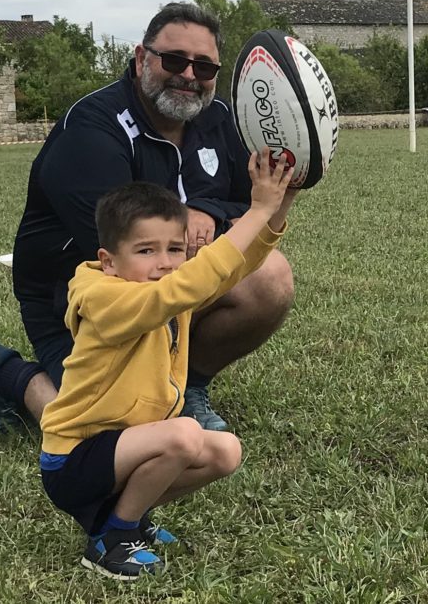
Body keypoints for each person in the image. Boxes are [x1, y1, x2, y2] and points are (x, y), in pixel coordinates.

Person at [0, 2, 294, 434]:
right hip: (85, 299)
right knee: (103, 430)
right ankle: (8, 373)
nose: (188, 75)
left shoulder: (221, 120)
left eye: (205, 67)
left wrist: (212, 209)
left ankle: (187, 386)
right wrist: (193, 220)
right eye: (175, 60)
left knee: (269, 277)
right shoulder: (93, 128)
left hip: (168, 281)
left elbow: (250, 203)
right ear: (142, 58)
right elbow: (126, 257)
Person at [40, 151, 294, 579]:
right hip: (73, 462)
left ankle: (121, 517)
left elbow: (231, 271)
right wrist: (258, 208)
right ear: (109, 261)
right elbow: (186, 286)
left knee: (225, 451)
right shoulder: (106, 297)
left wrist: (279, 205)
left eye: (175, 249)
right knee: (184, 434)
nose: (164, 262)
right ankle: (112, 539)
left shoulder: (165, 288)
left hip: (125, 449)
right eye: (146, 250)